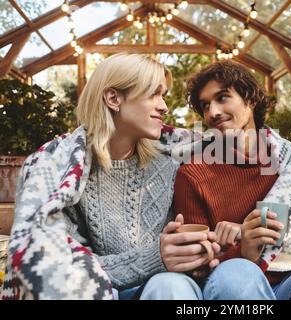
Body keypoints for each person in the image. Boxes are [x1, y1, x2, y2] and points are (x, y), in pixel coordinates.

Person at [1, 53, 219, 300]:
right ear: (113, 98)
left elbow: (250, 144)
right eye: (153, 94)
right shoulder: (61, 168)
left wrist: (197, 256)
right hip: (104, 291)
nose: (164, 106)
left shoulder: (172, 157)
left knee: (169, 286)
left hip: (167, 289)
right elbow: (60, 268)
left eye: (164, 95)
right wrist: (154, 258)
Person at [157, 60, 291, 300]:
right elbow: (195, 266)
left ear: (250, 99)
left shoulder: (285, 158)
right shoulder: (193, 173)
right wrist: (244, 250)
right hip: (233, 285)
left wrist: (244, 234)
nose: (213, 112)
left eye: (222, 98)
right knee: (237, 274)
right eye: (205, 105)